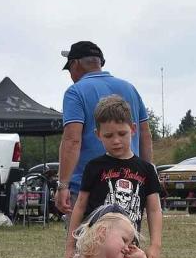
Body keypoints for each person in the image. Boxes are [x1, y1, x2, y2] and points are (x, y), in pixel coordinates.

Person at [64, 96, 163, 258]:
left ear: (133, 129)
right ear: (97, 134)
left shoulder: (146, 170)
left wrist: (155, 245)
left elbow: (154, 209)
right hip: (95, 248)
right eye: (108, 136)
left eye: (122, 133)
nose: (116, 140)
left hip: (127, 248)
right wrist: (70, 246)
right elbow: (80, 206)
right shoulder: (93, 167)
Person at [54, 40, 153, 218]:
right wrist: (148, 179)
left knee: (87, 243)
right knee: (125, 243)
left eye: (68, 69)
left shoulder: (75, 92)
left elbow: (72, 140)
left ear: (75, 64)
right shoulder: (130, 88)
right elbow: (145, 135)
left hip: (89, 187)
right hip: (131, 183)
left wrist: (63, 185)